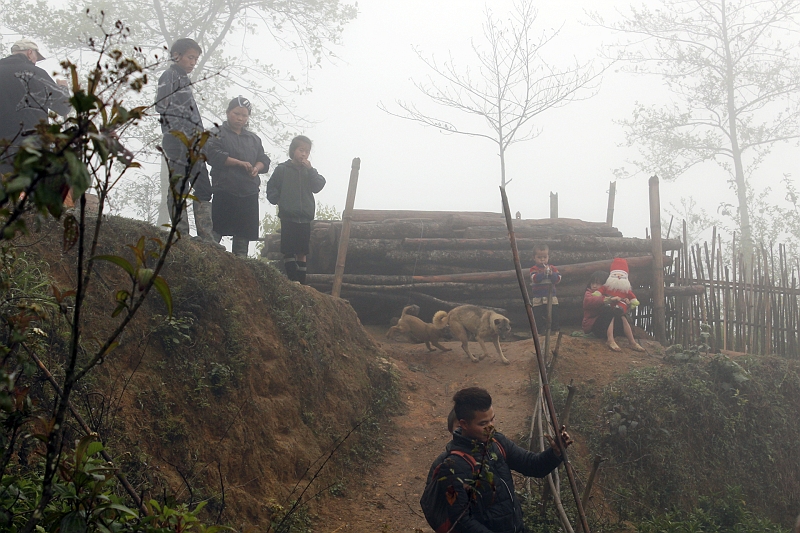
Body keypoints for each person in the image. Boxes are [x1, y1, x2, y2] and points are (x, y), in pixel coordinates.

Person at [435, 387, 572, 532]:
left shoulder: (497, 443)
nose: (491, 428)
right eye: (483, 424)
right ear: (463, 424)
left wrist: (555, 452)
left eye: (492, 420)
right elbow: (462, 521)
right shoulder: (453, 467)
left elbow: (532, 465)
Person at [155, 37, 214, 241]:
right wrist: (182, 135)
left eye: (196, 59)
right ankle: (182, 232)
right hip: (178, 141)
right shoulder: (169, 76)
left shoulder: (186, 81)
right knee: (179, 185)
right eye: (190, 57)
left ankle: (207, 236)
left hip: (195, 144)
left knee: (203, 187)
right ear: (176, 56)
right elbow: (162, 106)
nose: (193, 62)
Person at [204, 96, 270, 257]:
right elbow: (213, 155)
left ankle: (241, 267)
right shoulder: (216, 133)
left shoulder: (253, 139)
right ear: (228, 113)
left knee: (242, 239)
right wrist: (239, 163)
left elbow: (264, 159)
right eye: (236, 113)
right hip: (225, 189)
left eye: (244, 115)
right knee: (216, 231)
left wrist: (256, 168)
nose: (240, 118)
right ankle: (207, 260)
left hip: (248, 192)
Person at [0, 39, 70, 175]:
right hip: (31, 148)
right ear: (30, 52)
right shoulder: (34, 73)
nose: (35, 62)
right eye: (36, 58)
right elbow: (63, 107)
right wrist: (63, 89)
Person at [266, 135, 326, 284]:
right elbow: (271, 187)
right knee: (289, 249)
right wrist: (278, 200)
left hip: (305, 217)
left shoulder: (309, 172)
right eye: (301, 150)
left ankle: (301, 281)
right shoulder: (282, 169)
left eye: (307, 151)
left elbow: (318, 185)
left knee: (302, 250)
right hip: (288, 216)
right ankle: (293, 280)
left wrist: (311, 170)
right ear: (293, 150)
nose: (304, 154)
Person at [582, 269, 645, 352]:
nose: (594, 286)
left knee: (620, 313)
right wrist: (608, 300)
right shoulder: (589, 294)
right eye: (593, 283)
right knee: (609, 311)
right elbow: (589, 301)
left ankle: (632, 342)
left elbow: (622, 309)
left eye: (598, 283)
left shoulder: (611, 294)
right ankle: (610, 340)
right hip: (595, 326)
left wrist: (626, 303)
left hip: (609, 327)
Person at [529, 244, 562, 334]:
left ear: (548, 257)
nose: (542, 259)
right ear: (534, 258)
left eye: (545, 257)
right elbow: (534, 279)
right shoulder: (533, 269)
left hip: (551, 296)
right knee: (538, 315)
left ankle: (555, 330)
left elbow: (558, 279)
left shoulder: (552, 268)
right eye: (539, 257)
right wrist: (543, 273)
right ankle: (540, 331)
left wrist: (552, 274)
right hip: (538, 297)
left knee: (554, 313)